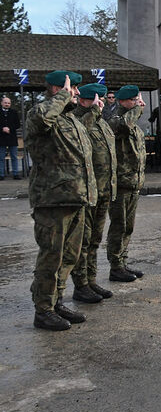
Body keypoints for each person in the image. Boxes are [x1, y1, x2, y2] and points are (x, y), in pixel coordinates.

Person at [25, 70, 97, 331]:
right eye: (72, 89)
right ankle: (42, 310)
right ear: (57, 90)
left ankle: (56, 302)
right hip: (52, 199)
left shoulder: (70, 120)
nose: (76, 93)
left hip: (75, 198)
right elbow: (43, 120)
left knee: (69, 256)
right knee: (51, 257)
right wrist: (64, 96)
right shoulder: (40, 113)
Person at [70, 83, 117, 303]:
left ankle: (91, 280)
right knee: (84, 241)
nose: (100, 103)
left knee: (95, 239)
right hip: (87, 192)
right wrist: (94, 113)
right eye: (96, 99)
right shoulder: (78, 120)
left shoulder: (102, 123)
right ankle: (80, 285)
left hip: (103, 190)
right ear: (84, 101)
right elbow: (78, 139)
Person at [106, 85, 146, 282]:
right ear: (123, 102)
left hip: (133, 183)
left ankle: (122, 262)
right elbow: (123, 126)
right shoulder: (114, 120)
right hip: (120, 184)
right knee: (119, 226)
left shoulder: (134, 124)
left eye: (138, 99)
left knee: (128, 227)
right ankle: (115, 266)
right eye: (134, 100)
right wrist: (137, 109)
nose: (138, 103)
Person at [0, 96, 21, 180]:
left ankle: (15, 173)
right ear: (1, 103)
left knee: (14, 156)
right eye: (5, 103)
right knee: (1, 157)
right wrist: (2, 129)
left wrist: (9, 129)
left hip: (12, 137)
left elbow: (17, 124)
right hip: (1, 138)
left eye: (8, 103)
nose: (7, 104)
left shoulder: (14, 112)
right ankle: (1, 174)